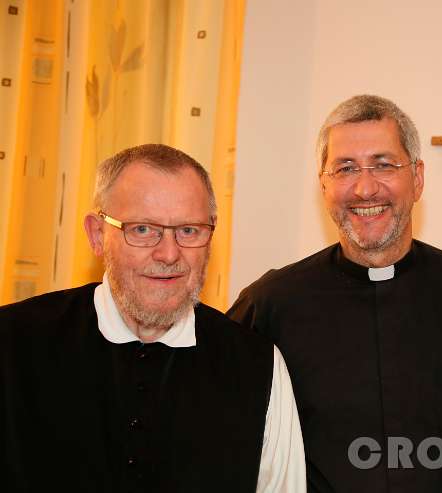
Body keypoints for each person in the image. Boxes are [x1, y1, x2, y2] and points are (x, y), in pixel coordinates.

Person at [228, 95, 442, 493]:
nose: (365, 188)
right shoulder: (271, 304)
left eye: (384, 165)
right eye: (345, 168)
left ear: (417, 179)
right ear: (324, 184)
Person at [0, 144, 306, 492]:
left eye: (189, 230)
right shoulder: (13, 344)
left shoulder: (259, 367)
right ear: (98, 235)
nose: (169, 253)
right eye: (143, 230)